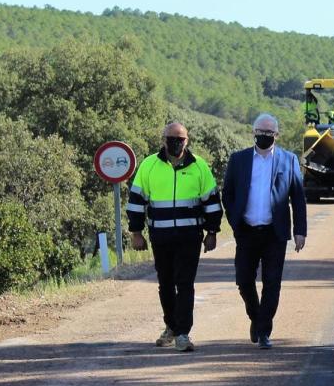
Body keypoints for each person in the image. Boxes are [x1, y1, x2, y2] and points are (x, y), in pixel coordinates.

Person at [127, 121, 223, 352]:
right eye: (171, 138)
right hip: (161, 236)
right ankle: (171, 326)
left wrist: (212, 232)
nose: (176, 143)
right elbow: (137, 201)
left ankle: (183, 333)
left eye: (180, 139)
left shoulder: (199, 166)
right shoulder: (149, 165)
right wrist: (136, 232)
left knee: (185, 284)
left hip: (189, 236)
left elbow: (211, 202)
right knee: (166, 284)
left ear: (187, 141)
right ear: (163, 140)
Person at [222, 113, 307, 349]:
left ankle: (264, 331)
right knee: (243, 280)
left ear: (276, 135)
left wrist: (300, 230)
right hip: (247, 230)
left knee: (272, 282)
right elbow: (227, 193)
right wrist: (234, 221)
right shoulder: (238, 160)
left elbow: (298, 198)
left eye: (269, 133)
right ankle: (256, 317)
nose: (264, 136)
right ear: (253, 132)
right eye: (261, 132)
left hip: (274, 233)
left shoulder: (288, 160)